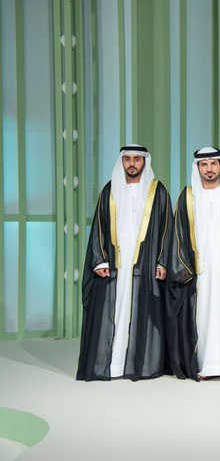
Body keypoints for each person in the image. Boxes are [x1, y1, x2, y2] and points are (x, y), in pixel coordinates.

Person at [77, 144, 172, 381]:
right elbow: (99, 226)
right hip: (115, 262)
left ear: (144, 162)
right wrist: (100, 260)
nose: (132, 164)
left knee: (143, 311)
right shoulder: (109, 190)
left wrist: (161, 262)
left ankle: (140, 364)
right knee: (115, 310)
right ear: (122, 162)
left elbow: (166, 229)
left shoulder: (157, 191)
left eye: (136, 159)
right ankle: (114, 364)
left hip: (145, 263)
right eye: (127, 159)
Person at [168, 147, 220, 379]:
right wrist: (183, 269)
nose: (209, 169)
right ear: (197, 168)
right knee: (203, 317)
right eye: (203, 164)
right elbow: (178, 235)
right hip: (200, 272)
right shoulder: (187, 197)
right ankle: (205, 365)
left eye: (213, 164)